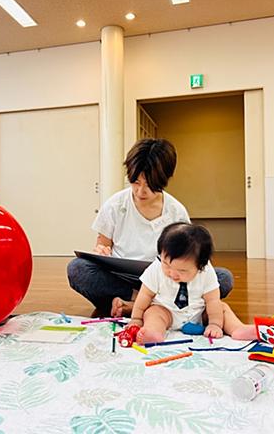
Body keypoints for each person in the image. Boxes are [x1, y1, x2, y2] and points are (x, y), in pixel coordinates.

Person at [67, 138, 234, 317]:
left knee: (222, 278)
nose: (140, 192)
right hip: (122, 281)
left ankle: (135, 306)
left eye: (149, 185)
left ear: (164, 179)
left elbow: (189, 256)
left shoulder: (176, 212)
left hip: (164, 281)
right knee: (78, 269)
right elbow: (103, 245)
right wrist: (101, 251)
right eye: (135, 182)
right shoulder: (115, 205)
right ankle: (144, 303)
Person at [128, 222, 256, 344]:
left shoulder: (206, 271)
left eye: (182, 270)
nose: (172, 273)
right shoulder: (156, 268)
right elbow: (145, 295)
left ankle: (237, 328)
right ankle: (154, 333)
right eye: (166, 264)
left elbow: (212, 300)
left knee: (222, 308)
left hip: (199, 313)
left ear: (200, 265)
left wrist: (215, 324)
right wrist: (136, 319)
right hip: (166, 311)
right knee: (152, 313)